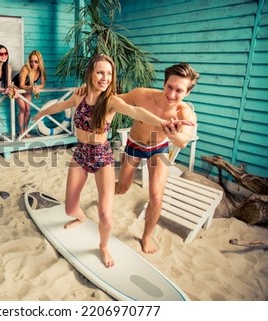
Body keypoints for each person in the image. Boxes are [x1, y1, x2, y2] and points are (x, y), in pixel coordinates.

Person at [32, 54, 192, 268]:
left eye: (109, 74)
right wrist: (41, 113)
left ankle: (104, 246)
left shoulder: (111, 101)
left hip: (102, 156)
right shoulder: (79, 96)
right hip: (81, 154)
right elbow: (59, 106)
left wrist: (163, 123)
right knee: (70, 209)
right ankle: (80, 218)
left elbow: (137, 112)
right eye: (100, 72)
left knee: (106, 214)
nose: (105, 78)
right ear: (90, 73)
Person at [115, 63, 199, 254]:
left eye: (179, 90)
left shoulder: (185, 114)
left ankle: (146, 237)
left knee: (156, 195)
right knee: (122, 188)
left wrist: (172, 133)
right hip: (134, 144)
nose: (171, 94)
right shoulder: (142, 95)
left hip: (158, 148)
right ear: (164, 83)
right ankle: (104, 194)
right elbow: (113, 101)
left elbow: (182, 142)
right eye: (169, 87)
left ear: (187, 92)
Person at [12, 50, 47, 137]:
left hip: (27, 87)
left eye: (36, 61)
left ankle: (25, 130)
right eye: (31, 61)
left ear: (39, 61)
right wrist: (32, 87)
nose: (33, 64)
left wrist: (37, 87)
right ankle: (21, 131)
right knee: (23, 108)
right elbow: (21, 84)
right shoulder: (26, 68)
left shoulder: (41, 70)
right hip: (16, 87)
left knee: (28, 109)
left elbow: (43, 84)